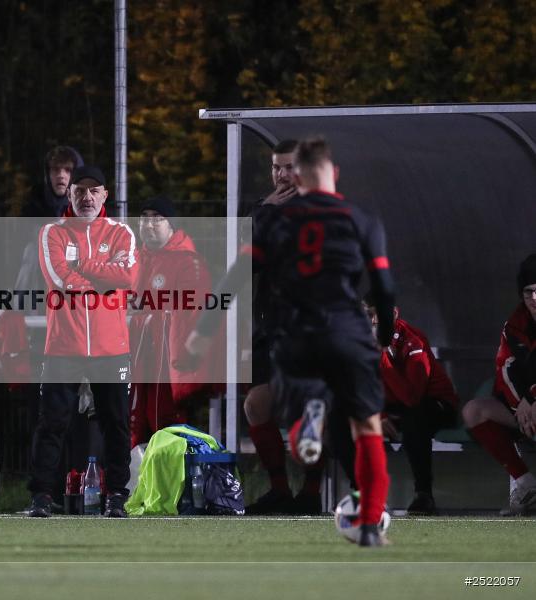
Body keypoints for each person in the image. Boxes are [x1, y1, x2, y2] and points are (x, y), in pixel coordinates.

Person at [188, 136, 396, 546]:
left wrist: (203, 330)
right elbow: (385, 289)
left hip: (294, 335)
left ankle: (306, 426)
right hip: (348, 333)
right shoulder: (362, 218)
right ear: (334, 174)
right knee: (366, 426)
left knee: (303, 420)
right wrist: (384, 336)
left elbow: (235, 277)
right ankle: (370, 525)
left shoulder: (276, 222)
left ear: (298, 176)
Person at [28, 165, 137, 518]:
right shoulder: (52, 232)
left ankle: (116, 495)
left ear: (105, 194)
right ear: (69, 194)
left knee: (116, 424)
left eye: (94, 190)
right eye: (80, 191)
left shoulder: (121, 232)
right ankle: (42, 496)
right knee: (52, 423)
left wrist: (83, 265)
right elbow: (59, 278)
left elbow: (128, 277)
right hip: (63, 347)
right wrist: (102, 276)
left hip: (112, 348)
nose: (87, 197)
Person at [240, 140, 325, 515]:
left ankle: (311, 492)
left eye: (289, 167)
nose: (281, 175)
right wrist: (264, 213)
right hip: (270, 327)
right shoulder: (264, 208)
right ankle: (279, 490)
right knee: (256, 405)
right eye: (276, 167)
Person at [129, 195, 219, 445]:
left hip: (168, 367)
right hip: (136, 362)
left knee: (167, 428)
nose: (149, 224)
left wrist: (144, 313)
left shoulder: (189, 262)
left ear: (171, 225)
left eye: (157, 218)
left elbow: (192, 310)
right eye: (144, 218)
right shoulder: (133, 260)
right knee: (133, 427)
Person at [363, 300, 459, 515]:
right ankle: (361, 494)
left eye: (379, 313)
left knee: (415, 419)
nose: (374, 320)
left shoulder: (412, 341)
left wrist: (382, 356)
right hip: (392, 406)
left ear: (394, 314)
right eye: (368, 314)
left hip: (435, 403)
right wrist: (379, 414)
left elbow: (412, 397)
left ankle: (423, 494)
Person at [463, 253, 536, 516]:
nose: (534, 298)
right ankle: (526, 485)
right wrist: (523, 406)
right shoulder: (514, 325)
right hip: (523, 409)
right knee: (474, 411)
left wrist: (533, 399)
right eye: (528, 292)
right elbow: (505, 369)